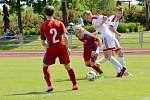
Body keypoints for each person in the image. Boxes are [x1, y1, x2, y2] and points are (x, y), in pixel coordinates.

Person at [40, 5, 78, 92]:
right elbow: (65, 36)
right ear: (54, 13)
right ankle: (75, 84)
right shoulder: (59, 23)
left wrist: (47, 47)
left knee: (45, 67)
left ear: (45, 13)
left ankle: (49, 86)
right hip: (61, 46)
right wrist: (67, 48)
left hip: (51, 48)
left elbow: (43, 43)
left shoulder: (43, 25)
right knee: (68, 66)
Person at [83, 11, 126, 77]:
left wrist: (101, 23)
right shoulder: (93, 20)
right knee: (107, 56)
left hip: (106, 36)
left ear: (89, 15)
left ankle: (121, 68)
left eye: (86, 17)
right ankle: (120, 69)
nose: (86, 19)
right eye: (85, 18)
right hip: (107, 36)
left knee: (108, 56)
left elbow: (105, 17)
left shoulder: (95, 17)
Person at [98, 6, 132, 76]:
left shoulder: (113, 17)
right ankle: (124, 71)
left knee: (109, 56)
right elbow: (110, 27)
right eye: (118, 13)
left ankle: (97, 64)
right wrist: (117, 33)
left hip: (108, 37)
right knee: (117, 54)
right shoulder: (115, 18)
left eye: (121, 13)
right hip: (110, 37)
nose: (120, 15)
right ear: (116, 12)